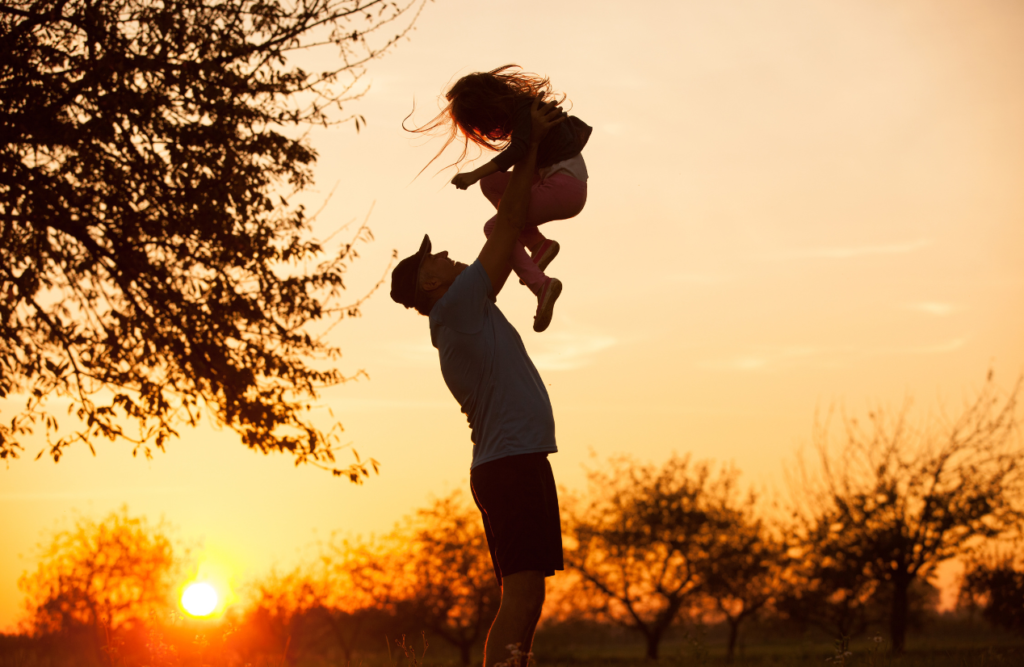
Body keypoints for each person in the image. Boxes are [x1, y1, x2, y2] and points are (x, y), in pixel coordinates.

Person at [391, 97, 566, 667]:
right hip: (508, 465)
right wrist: (531, 145)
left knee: (530, 593)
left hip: (519, 459)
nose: (443, 252)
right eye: (431, 259)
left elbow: (514, 228)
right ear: (429, 287)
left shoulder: (464, 308)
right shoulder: (458, 307)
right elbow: (511, 224)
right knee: (519, 594)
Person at [408, 65, 592, 332]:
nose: (488, 131)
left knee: (494, 227)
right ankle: (539, 244)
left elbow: (518, 151)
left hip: (563, 190)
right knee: (492, 183)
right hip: (559, 182)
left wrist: (472, 175)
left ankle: (541, 285)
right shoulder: (525, 110)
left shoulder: (525, 112)